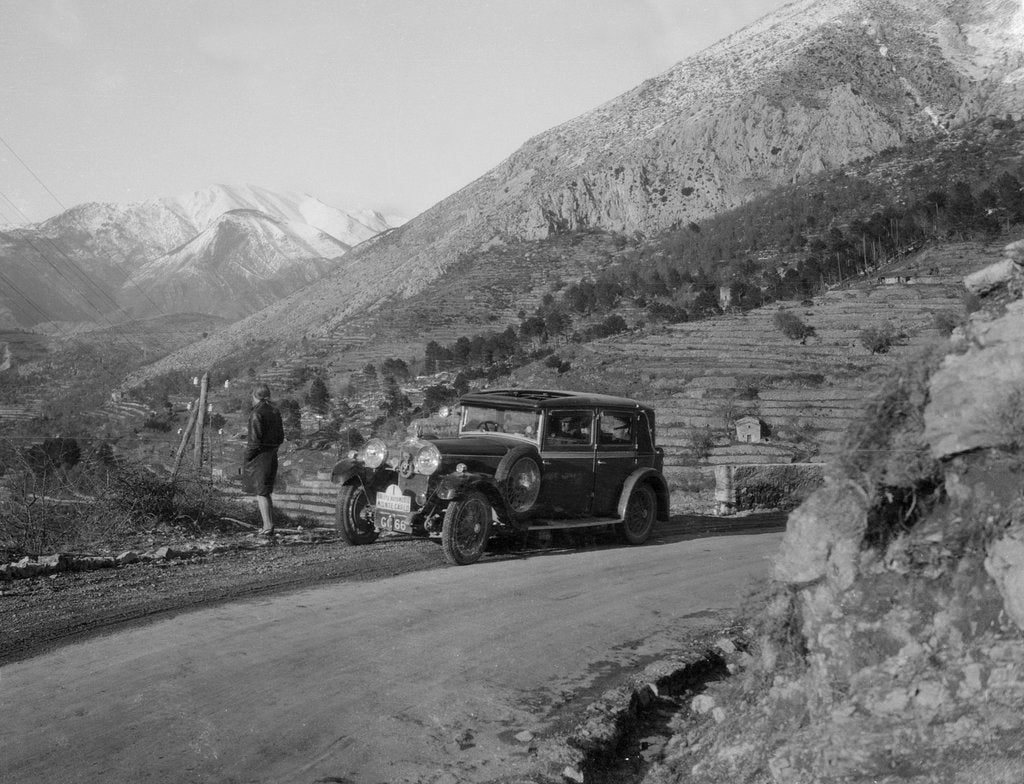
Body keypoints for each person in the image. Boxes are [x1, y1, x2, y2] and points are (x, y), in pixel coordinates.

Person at [241, 383, 285, 537]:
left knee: (261, 492)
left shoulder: (256, 414)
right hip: (272, 454)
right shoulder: (275, 411)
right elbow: (280, 437)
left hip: (259, 457)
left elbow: (254, 441)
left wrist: (247, 456)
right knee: (266, 491)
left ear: (255, 396)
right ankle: (268, 525)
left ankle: (267, 526)